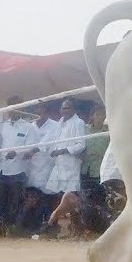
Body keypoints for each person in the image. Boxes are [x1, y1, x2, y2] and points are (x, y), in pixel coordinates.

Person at [0, 96, 34, 230]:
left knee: (15, 201)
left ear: (23, 108)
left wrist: (17, 152)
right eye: (12, 106)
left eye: (18, 106)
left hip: (19, 170)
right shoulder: (2, 125)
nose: (15, 109)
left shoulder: (28, 126)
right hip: (1, 169)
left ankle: (12, 228)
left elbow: (30, 147)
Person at [44, 99, 88, 235]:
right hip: (58, 165)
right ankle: (54, 226)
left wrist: (62, 150)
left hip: (71, 165)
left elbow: (81, 145)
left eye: (68, 108)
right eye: (63, 108)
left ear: (74, 109)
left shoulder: (79, 123)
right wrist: (52, 150)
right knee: (53, 194)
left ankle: (76, 228)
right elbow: (53, 142)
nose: (65, 111)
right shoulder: (59, 124)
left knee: (71, 197)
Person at [81, 105, 109, 190]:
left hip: (102, 169)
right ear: (92, 116)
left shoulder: (109, 131)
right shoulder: (84, 129)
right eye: (97, 114)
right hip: (86, 169)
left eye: (103, 114)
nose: (100, 117)